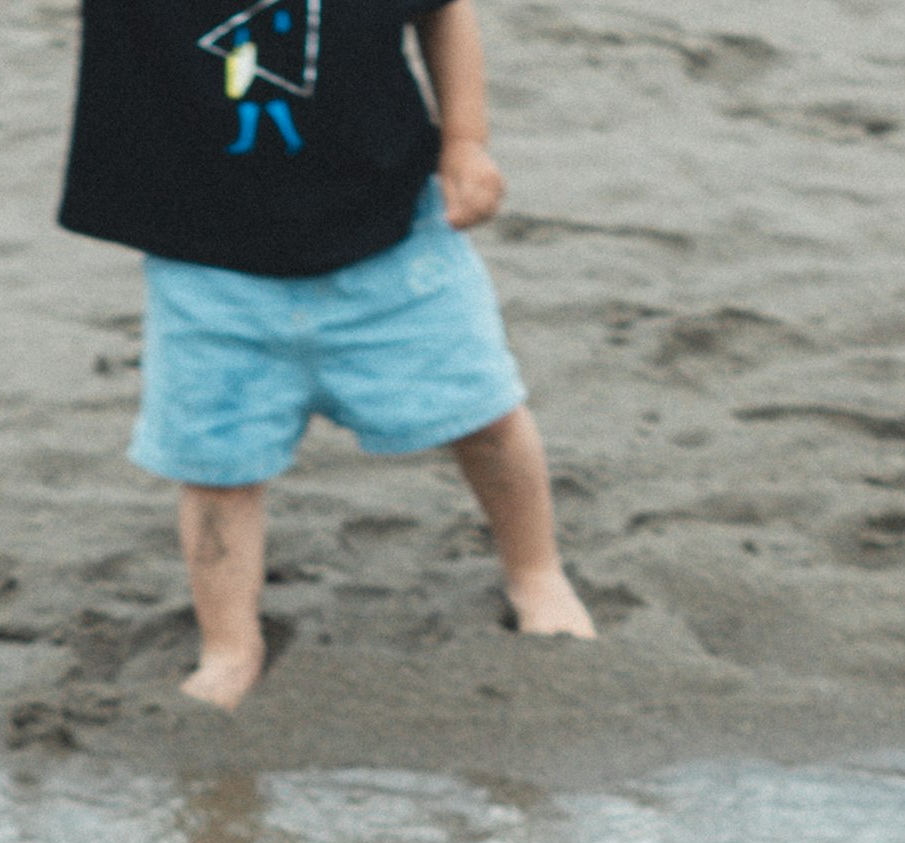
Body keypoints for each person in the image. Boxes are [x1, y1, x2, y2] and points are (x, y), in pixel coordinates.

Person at [58, 0, 595, 709]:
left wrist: (466, 140)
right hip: (207, 260)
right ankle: (230, 644)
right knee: (216, 465)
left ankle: (536, 571)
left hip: (391, 237)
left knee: (485, 413)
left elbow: (442, 10)